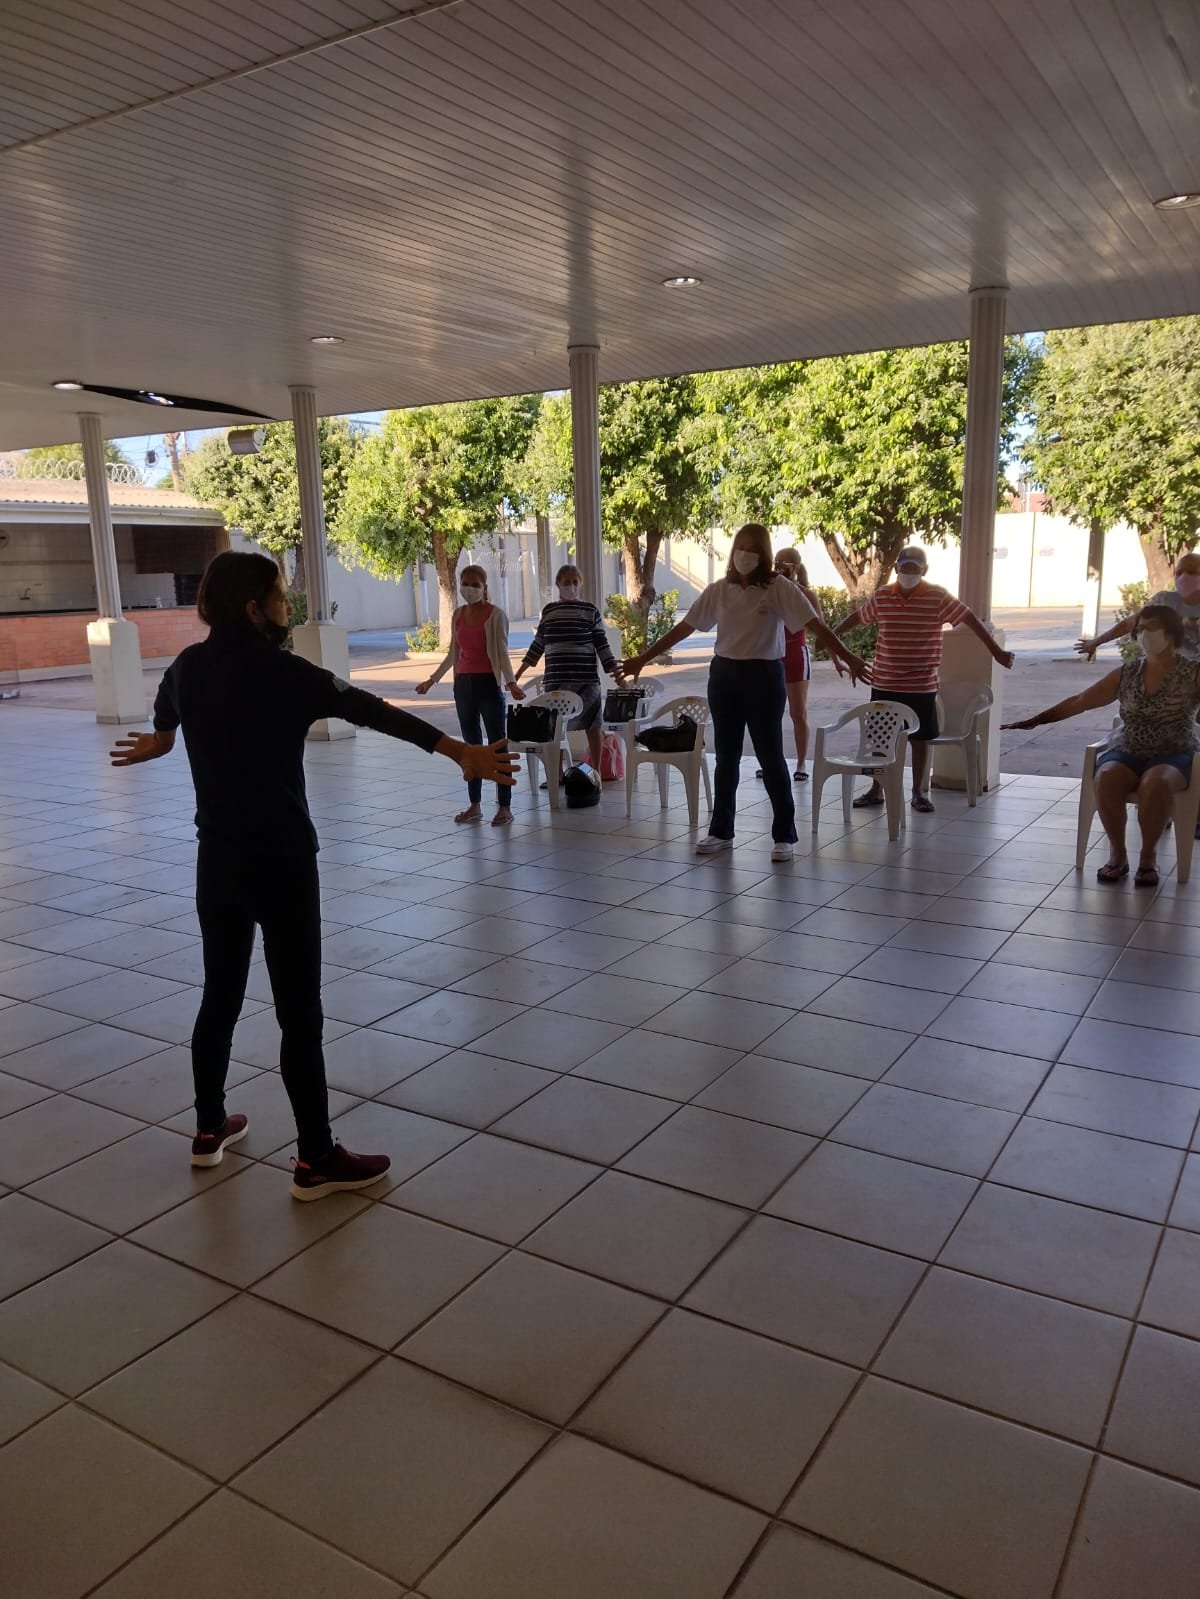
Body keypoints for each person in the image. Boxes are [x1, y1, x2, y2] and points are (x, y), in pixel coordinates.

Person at [109, 551, 517, 1200]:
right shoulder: (286, 673)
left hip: (218, 862)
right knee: (299, 1012)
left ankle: (209, 1127)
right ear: (254, 609)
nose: (287, 604)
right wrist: (457, 749)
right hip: (283, 863)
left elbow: (165, 726)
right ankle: (316, 1157)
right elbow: (373, 710)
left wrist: (157, 745)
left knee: (220, 995)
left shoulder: (187, 668)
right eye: (279, 595)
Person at [623, 523, 869, 862]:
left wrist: (850, 656)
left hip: (764, 676)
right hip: (724, 676)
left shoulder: (779, 587)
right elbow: (685, 626)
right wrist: (642, 658)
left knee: (770, 757)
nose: (745, 555)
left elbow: (816, 625)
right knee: (726, 757)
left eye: (753, 549)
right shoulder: (719, 590)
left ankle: (784, 835)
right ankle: (721, 831)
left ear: (763, 555)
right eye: (741, 547)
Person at [1004, 604, 1199, 887]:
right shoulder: (1127, 673)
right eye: (1140, 628)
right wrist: (1035, 721)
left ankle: (1148, 857)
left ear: (1170, 633)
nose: (1143, 634)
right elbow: (1081, 701)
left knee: (1155, 783)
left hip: (1174, 752)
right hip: (1128, 748)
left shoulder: (1192, 673)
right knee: (1106, 777)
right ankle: (1118, 855)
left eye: (1151, 628)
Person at [832, 545, 1014, 813]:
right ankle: (876, 789)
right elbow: (858, 617)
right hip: (885, 683)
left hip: (921, 685)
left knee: (920, 739)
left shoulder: (937, 596)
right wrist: (832, 636)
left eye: (914, 569)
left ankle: (918, 793)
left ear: (924, 570)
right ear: (897, 568)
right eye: (905, 567)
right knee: (880, 740)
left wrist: (996, 651)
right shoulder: (883, 596)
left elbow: (969, 618)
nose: (909, 573)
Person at [416, 564, 522, 827]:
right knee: (470, 746)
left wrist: (511, 683)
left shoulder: (496, 615)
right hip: (463, 686)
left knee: (497, 744)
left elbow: (502, 652)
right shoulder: (458, 615)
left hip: (489, 685)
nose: (469, 589)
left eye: (475, 584)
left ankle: (505, 807)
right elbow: (453, 653)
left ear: (484, 587)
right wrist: (432, 680)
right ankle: (475, 805)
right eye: (465, 583)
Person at [513, 563, 625, 779]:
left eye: (575, 582)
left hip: (586, 681)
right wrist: (517, 674)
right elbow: (537, 645)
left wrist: (617, 675)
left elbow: (602, 646)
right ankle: (557, 776)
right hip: (556, 681)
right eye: (567, 582)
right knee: (554, 728)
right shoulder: (549, 611)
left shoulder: (590, 611)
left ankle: (596, 774)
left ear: (580, 584)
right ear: (558, 584)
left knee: (593, 726)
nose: (571, 586)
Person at [756, 548, 818, 783]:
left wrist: (837, 658)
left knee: (798, 712)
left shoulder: (805, 594)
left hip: (796, 655)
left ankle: (801, 763)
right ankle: (771, 761)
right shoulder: (768, 590)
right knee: (768, 713)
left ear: (796, 567)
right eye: (777, 562)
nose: (779, 567)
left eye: (785, 564)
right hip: (772, 656)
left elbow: (821, 628)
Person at [1077, 550, 1200, 661]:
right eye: (1179, 573)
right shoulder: (1164, 600)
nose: (1184, 577)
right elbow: (1128, 624)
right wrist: (1096, 642)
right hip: (1172, 670)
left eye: (1191, 572)